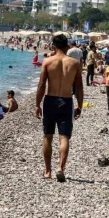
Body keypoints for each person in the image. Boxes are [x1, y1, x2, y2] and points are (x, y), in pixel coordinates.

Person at [35, 33, 83, 182]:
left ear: (53, 46)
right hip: (66, 101)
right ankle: (60, 168)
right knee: (64, 137)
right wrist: (79, 106)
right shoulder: (74, 63)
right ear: (67, 45)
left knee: (48, 136)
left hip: (50, 101)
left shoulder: (48, 62)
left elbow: (42, 85)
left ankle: (47, 171)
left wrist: (37, 104)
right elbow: (79, 88)